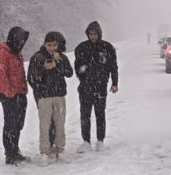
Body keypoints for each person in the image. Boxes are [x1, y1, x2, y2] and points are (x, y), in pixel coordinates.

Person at [27, 31, 73, 159]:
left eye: (54, 45)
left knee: (60, 123)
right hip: (44, 97)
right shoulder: (37, 57)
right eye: (49, 45)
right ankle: (44, 151)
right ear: (44, 44)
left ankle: (60, 149)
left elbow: (69, 73)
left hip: (59, 94)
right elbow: (31, 78)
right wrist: (44, 69)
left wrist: (59, 62)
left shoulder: (62, 57)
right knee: (45, 125)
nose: (52, 48)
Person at [74, 21, 118, 152]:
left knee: (100, 114)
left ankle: (100, 141)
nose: (93, 36)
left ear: (99, 34)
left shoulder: (107, 48)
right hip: (85, 87)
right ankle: (86, 141)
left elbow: (113, 66)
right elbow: (77, 67)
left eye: (95, 34)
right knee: (85, 114)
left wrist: (114, 82)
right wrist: (83, 76)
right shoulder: (81, 48)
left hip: (100, 87)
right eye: (90, 34)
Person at [0, 26, 30, 165]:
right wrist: (10, 92)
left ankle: (15, 149)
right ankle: (10, 153)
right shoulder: (2, 54)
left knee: (18, 123)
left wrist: (24, 88)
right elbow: (1, 75)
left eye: (22, 41)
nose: (21, 43)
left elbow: (21, 73)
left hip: (20, 93)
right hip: (9, 96)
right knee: (10, 124)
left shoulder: (17, 54)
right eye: (19, 40)